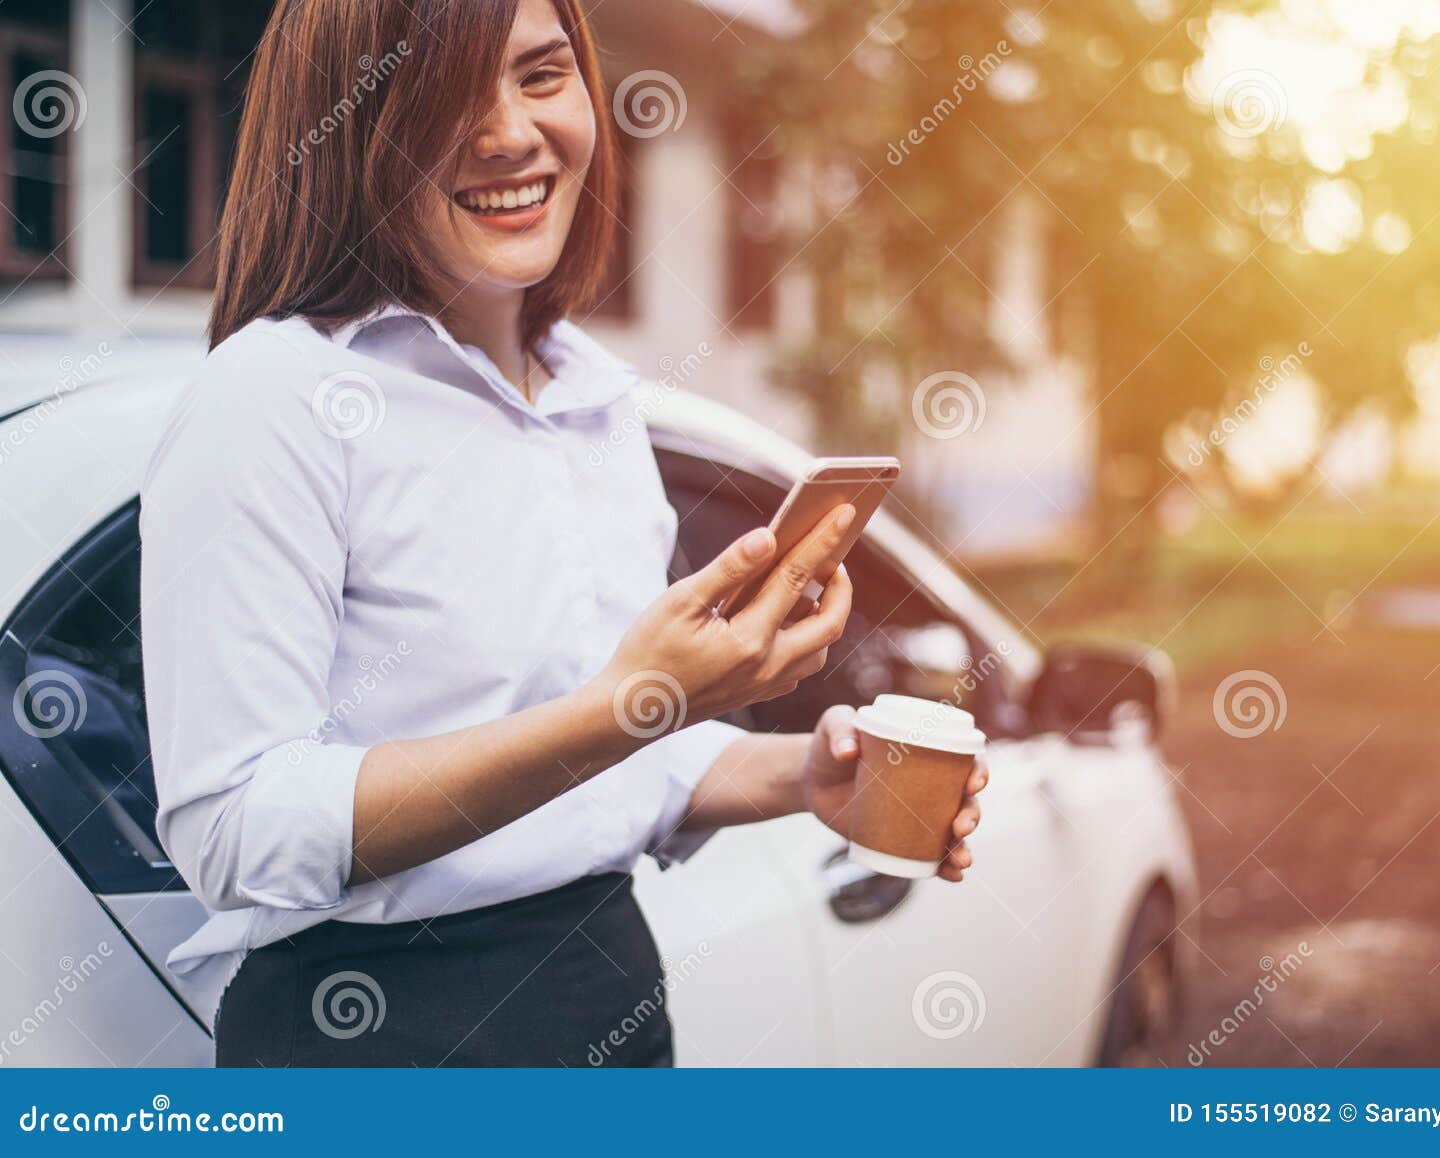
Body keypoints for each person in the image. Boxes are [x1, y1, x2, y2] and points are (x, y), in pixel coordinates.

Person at [140, 0, 987, 1067]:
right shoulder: (274, 396)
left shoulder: (591, 395)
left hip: (604, 987)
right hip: (382, 1033)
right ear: (350, 129)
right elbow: (234, 829)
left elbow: (607, 757)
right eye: (442, 97)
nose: (506, 133)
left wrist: (805, 780)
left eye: (542, 76)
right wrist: (624, 710)